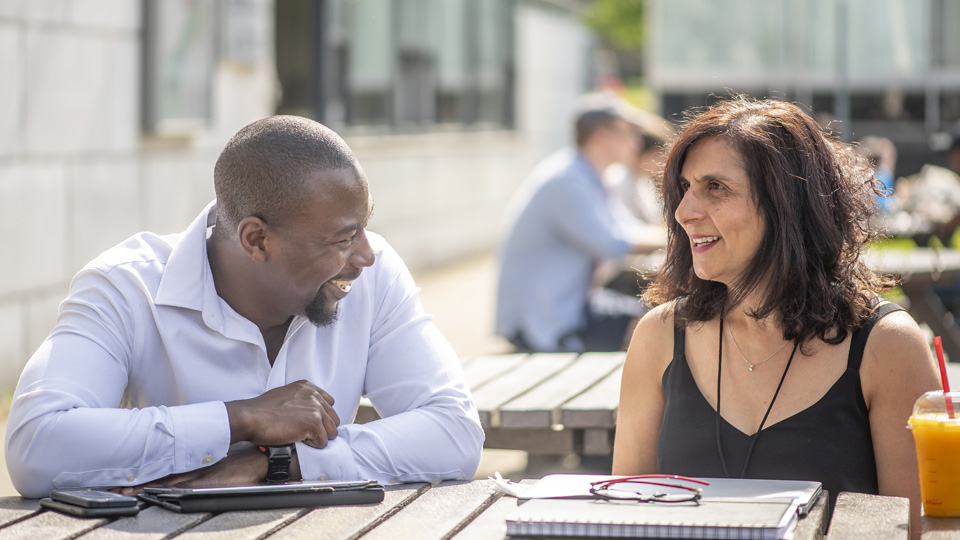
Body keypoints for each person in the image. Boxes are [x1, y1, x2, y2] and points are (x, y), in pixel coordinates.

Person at [5, 116, 484, 498]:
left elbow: (455, 432)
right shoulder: (125, 287)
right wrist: (241, 418)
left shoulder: (374, 278)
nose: (366, 255)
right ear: (256, 239)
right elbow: (37, 446)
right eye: (342, 238)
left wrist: (281, 461)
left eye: (363, 227)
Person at [611, 97, 941, 538]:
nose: (683, 211)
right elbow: (624, 517)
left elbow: (915, 531)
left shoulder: (887, 346)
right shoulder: (659, 336)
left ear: (787, 205)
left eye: (715, 188)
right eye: (685, 187)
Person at [496, 94, 665, 353]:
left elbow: (628, 227)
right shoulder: (566, 181)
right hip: (541, 322)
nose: (635, 142)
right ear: (601, 138)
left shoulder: (588, 176)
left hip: (567, 305)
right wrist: (681, 236)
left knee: (655, 321)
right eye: (628, 133)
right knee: (652, 329)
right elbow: (613, 242)